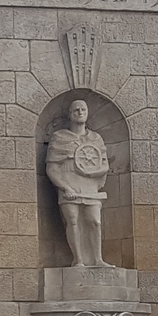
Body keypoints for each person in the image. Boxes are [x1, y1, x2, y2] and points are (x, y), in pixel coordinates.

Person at [44, 99, 111, 267]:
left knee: (95, 221)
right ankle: (78, 260)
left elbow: (104, 166)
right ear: (70, 114)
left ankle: (98, 259)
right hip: (69, 185)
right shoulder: (59, 137)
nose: (80, 112)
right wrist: (65, 187)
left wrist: (90, 173)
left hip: (90, 186)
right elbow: (51, 168)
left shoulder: (96, 138)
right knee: (73, 221)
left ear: (87, 114)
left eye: (83, 109)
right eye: (76, 110)